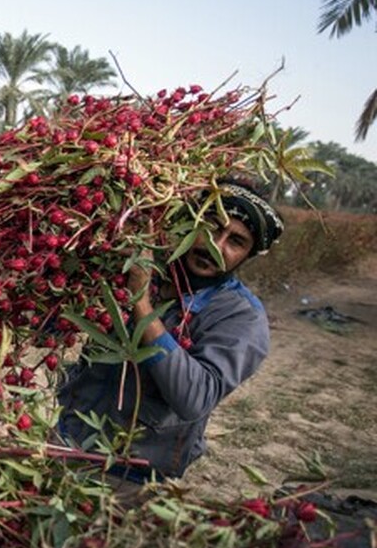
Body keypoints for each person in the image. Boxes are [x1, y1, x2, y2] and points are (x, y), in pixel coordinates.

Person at [56, 179, 285, 485]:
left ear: (247, 256)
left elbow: (194, 397)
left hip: (132, 474)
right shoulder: (138, 264)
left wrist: (141, 303)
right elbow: (54, 327)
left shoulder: (242, 316)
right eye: (212, 226)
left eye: (236, 241)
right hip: (63, 443)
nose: (216, 246)